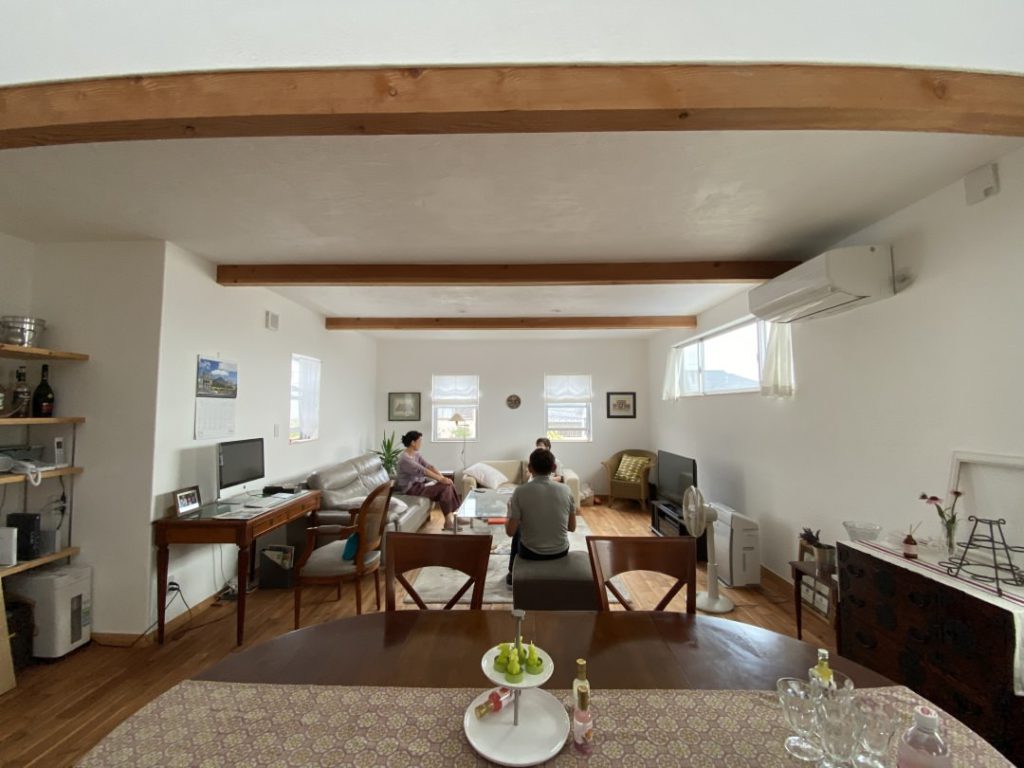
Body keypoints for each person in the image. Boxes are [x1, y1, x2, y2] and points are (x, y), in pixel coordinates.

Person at [506, 447, 576, 586]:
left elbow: (510, 532)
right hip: (560, 551)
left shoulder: (520, 491)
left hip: (531, 553)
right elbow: (572, 527)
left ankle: (512, 573)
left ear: (530, 468)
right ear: (553, 467)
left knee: (518, 528)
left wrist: (509, 512)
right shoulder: (566, 490)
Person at [395, 430, 462, 530]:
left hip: (421, 484)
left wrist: (443, 478)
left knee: (448, 484)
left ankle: (456, 516)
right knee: (445, 487)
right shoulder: (405, 459)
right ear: (413, 443)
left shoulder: (415, 454)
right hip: (411, 489)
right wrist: (441, 479)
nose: (421, 443)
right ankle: (448, 521)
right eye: (419, 441)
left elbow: (429, 466)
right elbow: (424, 471)